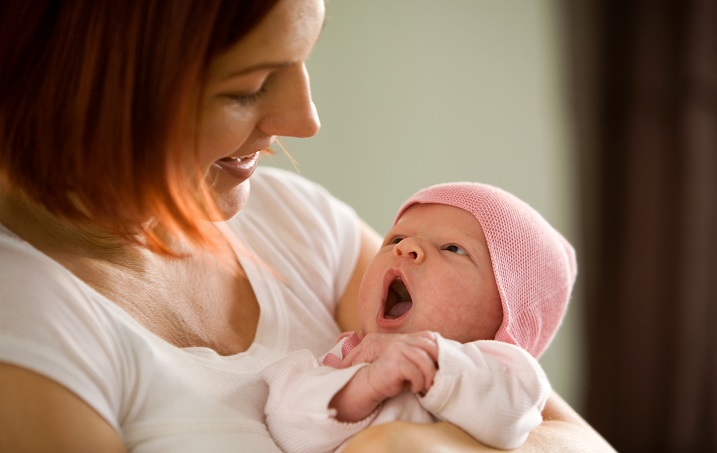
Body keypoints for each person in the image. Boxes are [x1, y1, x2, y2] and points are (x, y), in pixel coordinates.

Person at [0, 1, 615, 452]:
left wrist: (411, 448)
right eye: (248, 87)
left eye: (301, 61)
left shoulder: (293, 219)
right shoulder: (27, 324)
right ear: (87, 89)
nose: (305, 120)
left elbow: (581, 444)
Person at [262, 182, 575, 452]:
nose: (406, 248)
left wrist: (434, 361)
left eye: (453, 248)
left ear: (506, 316)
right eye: (396, 240)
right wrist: (359, 387)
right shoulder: (347, 360)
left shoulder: (506, 373)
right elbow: (286, 426)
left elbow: (512, 414)